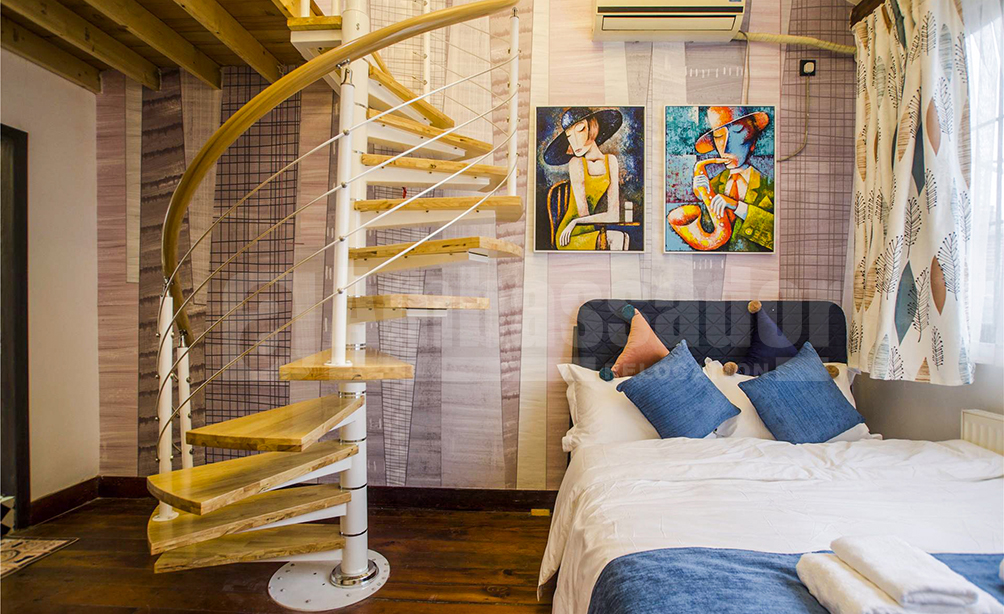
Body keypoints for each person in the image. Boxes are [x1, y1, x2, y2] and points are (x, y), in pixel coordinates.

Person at [543, 107, 629, 250]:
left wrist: (576, 221)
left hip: (584, 226)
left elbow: (614, 215)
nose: (575, 142)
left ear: (593, 127)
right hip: (569, 234)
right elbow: (583, 212)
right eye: (569, 137)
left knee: (624, 237)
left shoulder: (611, 161)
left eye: (580, 130)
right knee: (618, 238)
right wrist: (574, 223)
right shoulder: (576, 163)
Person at [692, 106, 775, 252]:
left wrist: (737, 206)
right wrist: (703, 196)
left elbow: (777, 232)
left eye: (737, 133)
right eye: (718, 136)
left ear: (753, 143)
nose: (725, 148)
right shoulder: (712, 185)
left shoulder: (770, 185)